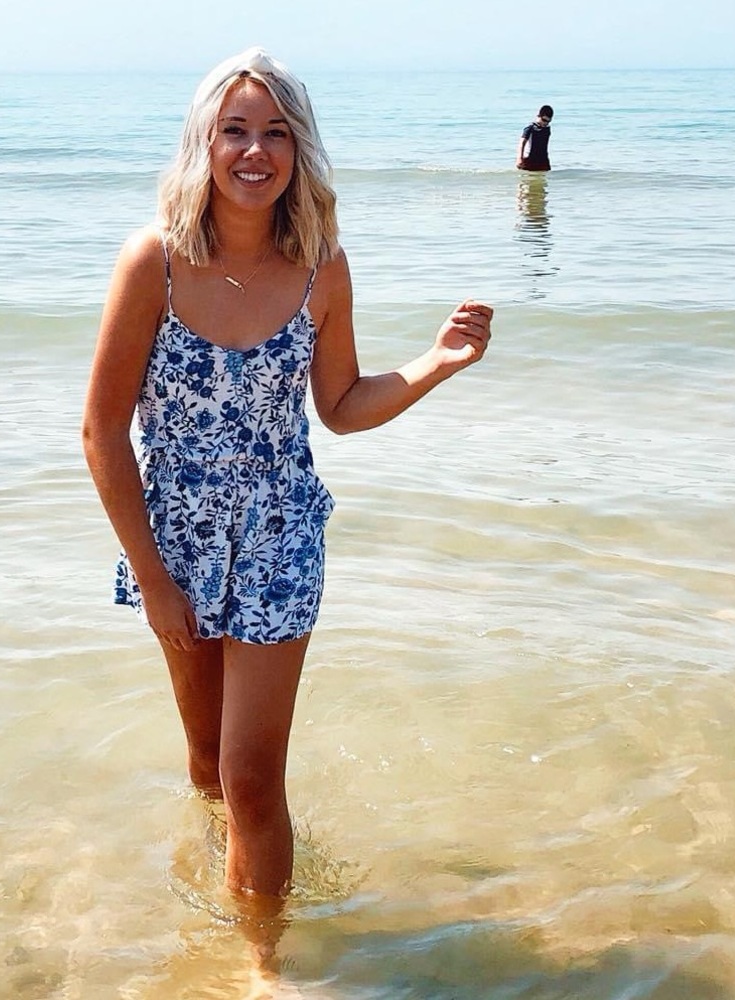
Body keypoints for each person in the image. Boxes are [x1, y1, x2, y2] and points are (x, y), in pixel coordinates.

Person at [82, 48, 492, 911]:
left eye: (275, 133)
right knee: (207, 768)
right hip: (178, 538)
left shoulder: (321, 267)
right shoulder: (151, 261)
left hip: (280, 534)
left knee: (253, 778)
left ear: (299, 151)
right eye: (235, 131)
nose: (254, 151)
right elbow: (103, 433)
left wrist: (437, 363)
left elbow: (339, 405)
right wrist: (153, 581)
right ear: (205, 143)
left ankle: (263, 963)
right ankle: (219, 881)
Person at [517, 105, 553, 171]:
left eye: (548, 121)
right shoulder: (530, 128)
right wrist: (520, 158)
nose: (545, 123)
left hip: (543, 160)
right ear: (538, 116)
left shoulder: (547, 128)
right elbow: (522, 143)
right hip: (529, 160)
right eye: (544, 120)